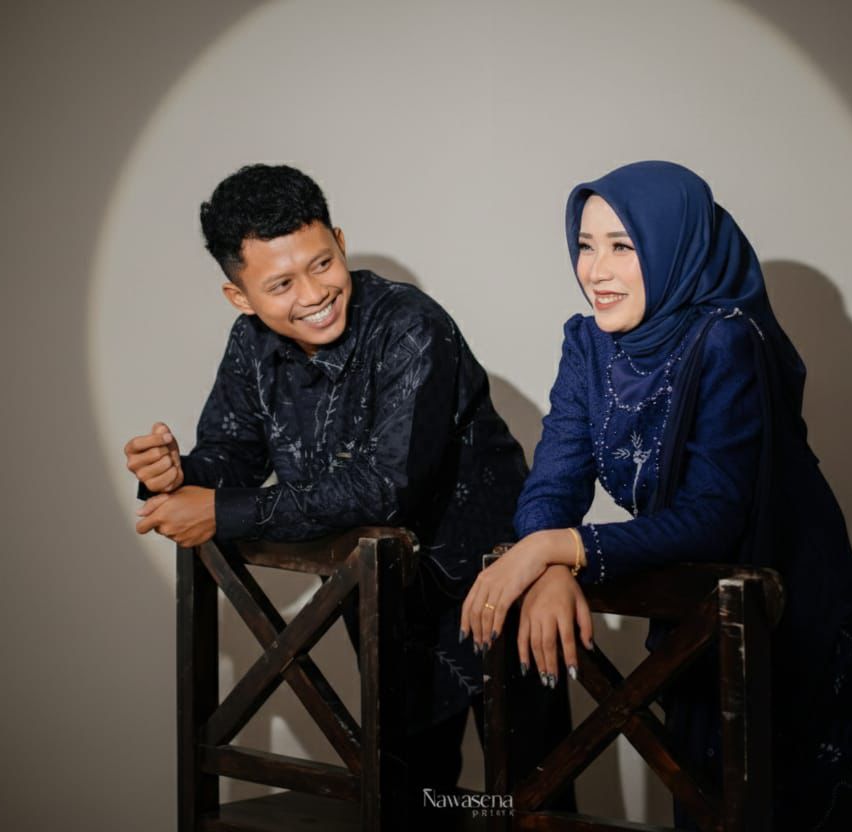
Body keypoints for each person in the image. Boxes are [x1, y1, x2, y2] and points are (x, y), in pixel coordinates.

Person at [121, 163, 571, 814]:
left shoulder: (411, 324)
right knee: (412, 803)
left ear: (339, 239)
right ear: (238, 297)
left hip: (501, 585)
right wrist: (178, 474)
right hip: (387, 600)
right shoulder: (248, 343)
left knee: (534, 804)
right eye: (280, 284)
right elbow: (233, 457)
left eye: (322, 264)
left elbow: (384, 488)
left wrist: (220, 510)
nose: (313, 294)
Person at [460, 161, 852, 829]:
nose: (595, 271)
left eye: (622, 246)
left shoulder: (727, 341)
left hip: (794, 625)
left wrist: (553, 547)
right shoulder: (588, 345)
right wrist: (549, 565)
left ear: (674, 246)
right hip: (698, 623)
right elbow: (554, 479)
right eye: (585, 245)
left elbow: (711, 519)